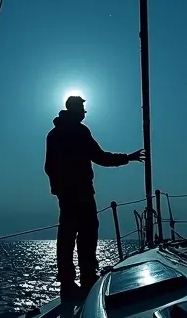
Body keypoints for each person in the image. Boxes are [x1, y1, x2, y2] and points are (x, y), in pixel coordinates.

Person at [44, 95, 144, 299]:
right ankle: (87, 278)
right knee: (86, 234)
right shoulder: (80, 132)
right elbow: (100, 157)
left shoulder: (54, 134)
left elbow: (49, 167)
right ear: (75, 110)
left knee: (67, 235)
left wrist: (58, 188)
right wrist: (128, 158)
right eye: (82, 108)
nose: (84, 112)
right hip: (81, 192)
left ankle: (68, 282)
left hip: (67, 194)